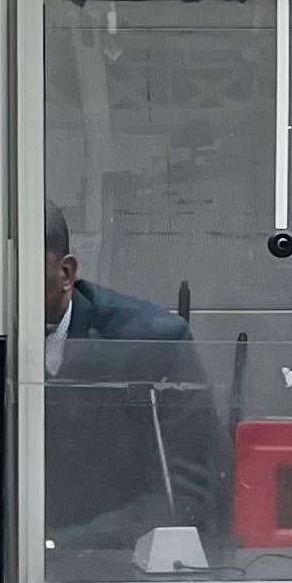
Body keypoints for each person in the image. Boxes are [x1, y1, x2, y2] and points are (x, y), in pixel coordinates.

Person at [42, 206, 225, 555]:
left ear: (65, 274)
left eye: (16, 269)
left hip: (121, 562)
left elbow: (185, 498)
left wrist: (53, 547)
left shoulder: (150, 345)